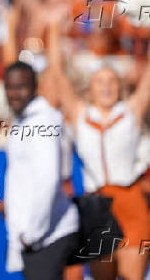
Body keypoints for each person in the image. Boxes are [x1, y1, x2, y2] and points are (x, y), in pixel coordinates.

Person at [48, 18, 150, 280]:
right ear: (90, 89)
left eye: (111, 81)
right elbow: (58, 76)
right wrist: (54, 31)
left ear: (120, 87)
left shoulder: (130, 112)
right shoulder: (81, 114)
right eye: (100, 81)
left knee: (132, 276)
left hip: (131, 201)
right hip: (97, 206)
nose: (106, 86)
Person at [3, 61, 80, 280]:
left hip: (46, 237)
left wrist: (31, 235)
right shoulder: (25, 118)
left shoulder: (43, 121)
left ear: (35, 87)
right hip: (38, 235)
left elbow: (49, 178)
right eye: (9, 87)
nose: (14, 93)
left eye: (21, 87)